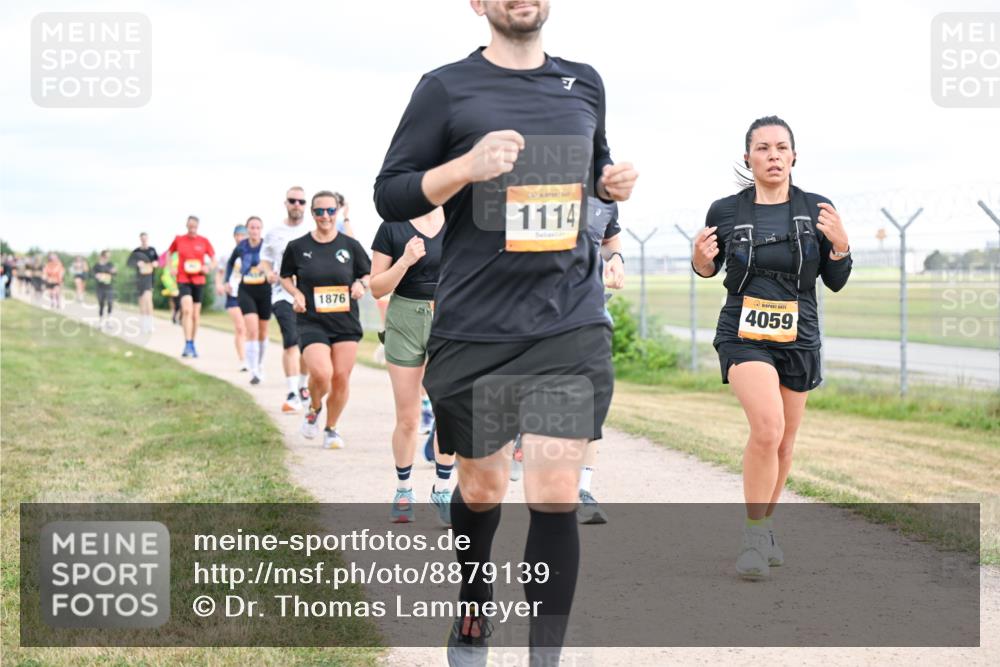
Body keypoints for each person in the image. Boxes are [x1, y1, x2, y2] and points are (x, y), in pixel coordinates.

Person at [373, 1, 638, 662]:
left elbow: (594, 175)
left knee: (553, 490)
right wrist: (463, 168)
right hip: (478, 324)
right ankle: (473, 601)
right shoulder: (446, 88)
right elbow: (391, 192)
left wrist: (612, 183)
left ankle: (543, 656)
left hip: (566, 318)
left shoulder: (585, 83)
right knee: (483, 487)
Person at [692, 115, 852, 580]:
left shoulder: (819, 209)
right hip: (743, 332)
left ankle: (764, 527)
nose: (773, 155)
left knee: (784, 442)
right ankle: (753, 537)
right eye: (762, 148)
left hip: (799, 334)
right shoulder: (724, 211)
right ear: (748, 158)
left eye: (781, 147)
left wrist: (841, 246)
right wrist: (700, 262)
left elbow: (836, 282)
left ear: (794, 155)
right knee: (767, 427)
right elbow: (709, 269)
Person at [370, 206, 456, 526]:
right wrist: (405, 261)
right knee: (407, 418)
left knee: (448, 411)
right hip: (405, 318)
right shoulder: (392, 227)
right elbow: (377, 287)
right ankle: (404, 490)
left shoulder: (458, 222)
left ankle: (443, 489)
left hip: (449, 318)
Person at [280, 191, 371, 450]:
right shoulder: (298, 247)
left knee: (341, 377)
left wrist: (360, 284)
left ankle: (331, 428)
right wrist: (296, 293)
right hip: (312, 321)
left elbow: (367, 273)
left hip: (345, 323)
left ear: (337, 212)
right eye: (319, 211)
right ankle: (314, 407)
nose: (325, 216)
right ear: (312, 213)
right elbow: (285, 276)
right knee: (322, 374)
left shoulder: (350, 245)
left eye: (330, 211)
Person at [259, 186, 312, 412]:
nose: (297, 205)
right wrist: (268, 272)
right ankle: (292, 393)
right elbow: (264, 257)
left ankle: (302, 385)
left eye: (301, 202)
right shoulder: (274, 232)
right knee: (290, 339)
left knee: (306, 344)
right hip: (282, 293)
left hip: (309, 295)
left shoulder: (312, 230)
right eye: (293, 201)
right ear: (286, 203)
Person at [226, 217, 272, 384]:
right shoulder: (242, 246)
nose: (254, 230)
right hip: (246, 290)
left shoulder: (266, 246)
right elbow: (230, 263)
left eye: (258, 227)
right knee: (251, 329)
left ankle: (259, 365)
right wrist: (226, 281)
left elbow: (276, 262)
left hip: (265, 290)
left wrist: (269, 270)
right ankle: (253, 371)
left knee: (263, 331)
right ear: (247, 229)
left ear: (261, 229)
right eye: (251, 227)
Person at [165, 215, 215, 358]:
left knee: (195, 315)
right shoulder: (179, 239)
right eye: (190, 226)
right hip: (183, 278)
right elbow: (169, 253)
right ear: (187, 226)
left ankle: (192, 342)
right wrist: (170, 268)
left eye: (194, 226)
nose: (192, 229)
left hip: (198, 280)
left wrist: (208, 267)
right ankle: (187, 343)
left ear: (197, 227)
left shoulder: (203, 241)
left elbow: (213, 259)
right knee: (187, 310)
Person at [217, 225, 249, 371]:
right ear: (234, 236)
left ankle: (250, 356)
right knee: (240, 327)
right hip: (233, 294)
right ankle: (243, 360)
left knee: (248, 328)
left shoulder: (252, 253)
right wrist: (220, 285)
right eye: (237, 235)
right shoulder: (227, 254)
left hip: (248, 293)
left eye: (242, 235)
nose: (240, 238)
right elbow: (220, 272)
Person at [128, 233, 160, 333]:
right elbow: (129, 263)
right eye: (142, 239)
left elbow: (158, 262)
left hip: (149, 279)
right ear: (140, 239)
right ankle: (143, 324)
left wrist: (155, 264)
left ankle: (149, 323)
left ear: (148, 239)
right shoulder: (136, 251)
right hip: (139, 280)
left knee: (148, 299)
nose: (144, 240)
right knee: (142, 301)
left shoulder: (152, 250)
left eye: (145, 239)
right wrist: (137, 263)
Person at [92, 250, 117, 325]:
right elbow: (92, 274)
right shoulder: (96, 266)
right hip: (100, 288)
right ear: (102, 256)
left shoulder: (110, 264)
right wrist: (96, 275)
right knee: (101, 304)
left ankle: (109, 320)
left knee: (110, 302)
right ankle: (100, 321)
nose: (107, 258)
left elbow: (115, 273)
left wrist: (114, 271)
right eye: (106, 256)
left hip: (109, 287)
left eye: (108, 257)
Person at [161, 252, 181, 325]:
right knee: (175, 300)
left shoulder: (182, 253)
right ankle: (174, 315)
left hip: (181, 281)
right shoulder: (170, 254)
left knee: (180, 300)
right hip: (172, 282)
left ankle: (176, 316)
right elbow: (163, 265)